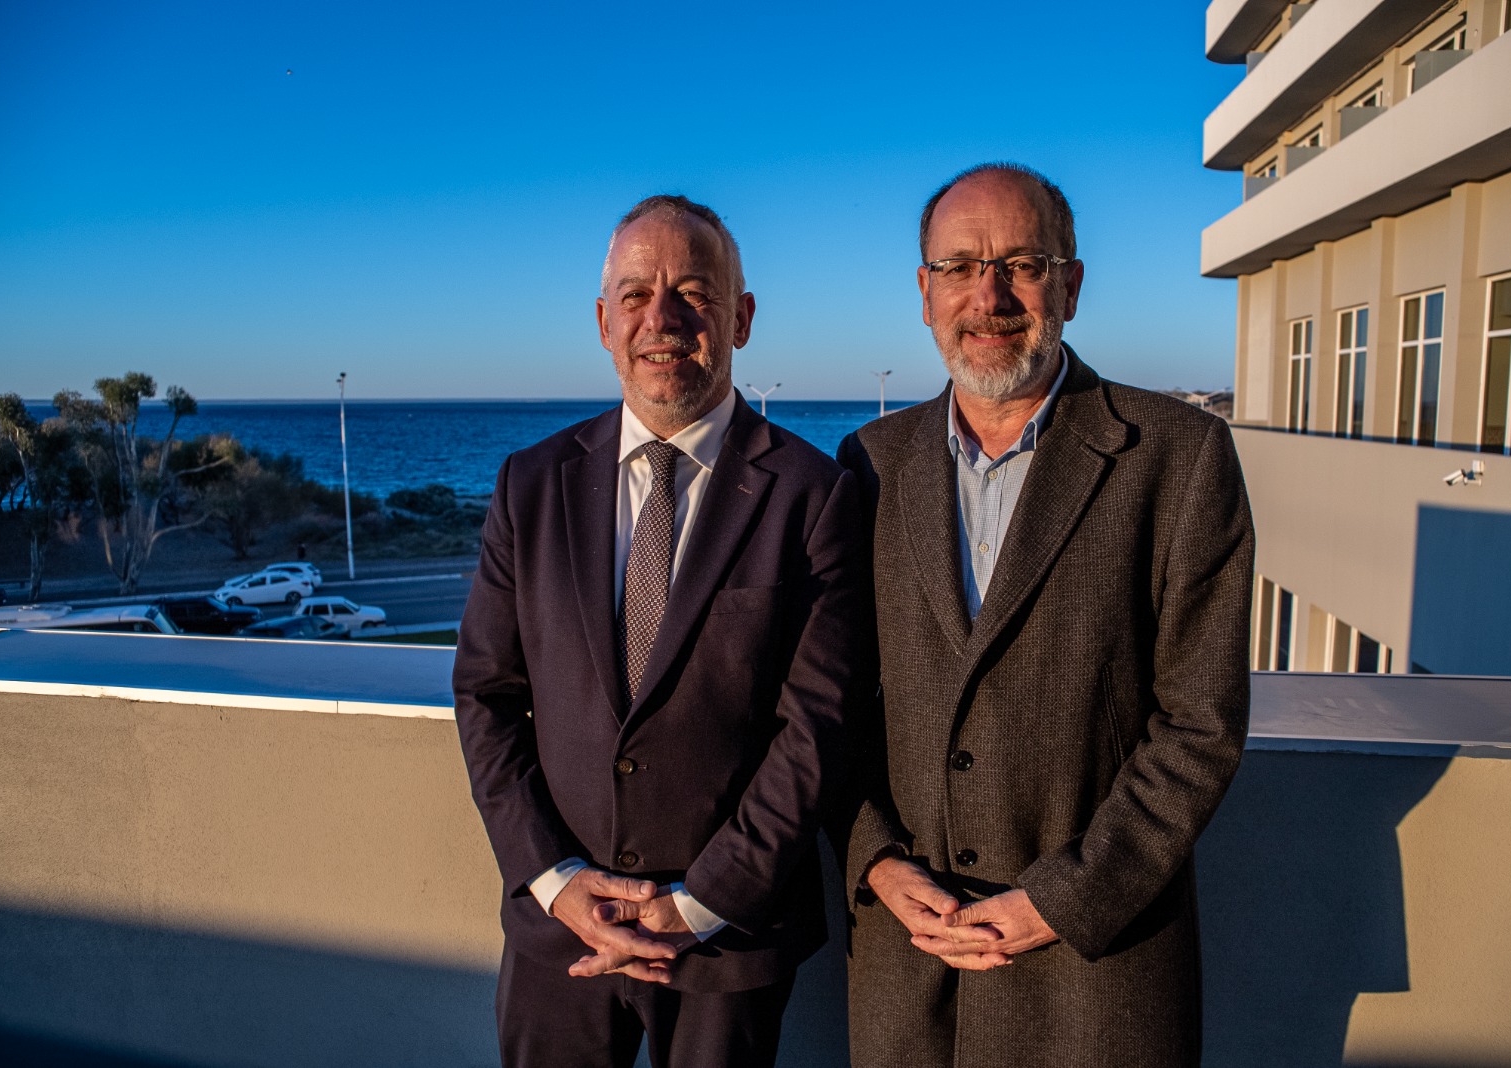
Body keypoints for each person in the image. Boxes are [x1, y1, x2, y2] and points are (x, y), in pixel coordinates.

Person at [836, 163, 1255, 1067]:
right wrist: (874, 858)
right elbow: (836, 702)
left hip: (1097, 982)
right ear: (924, 293)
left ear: (1070, 282)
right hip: (912, 977)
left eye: (1021, 263)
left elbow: (1201, 724)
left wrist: (1058, 902)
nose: (988, 296)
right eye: (959, 268)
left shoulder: (1179, 458)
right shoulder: (869, 462)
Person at [453, 194, 866, 1068]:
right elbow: (486, 696)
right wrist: (556, 881)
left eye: (695, 292)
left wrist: (701, 901)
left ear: (741, 318)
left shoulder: (814, 495)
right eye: (636, 294)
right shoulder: (530, 487)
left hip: (724, 939)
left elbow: (817, 729)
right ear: (604, 323)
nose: (663, 319)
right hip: (558, 933)